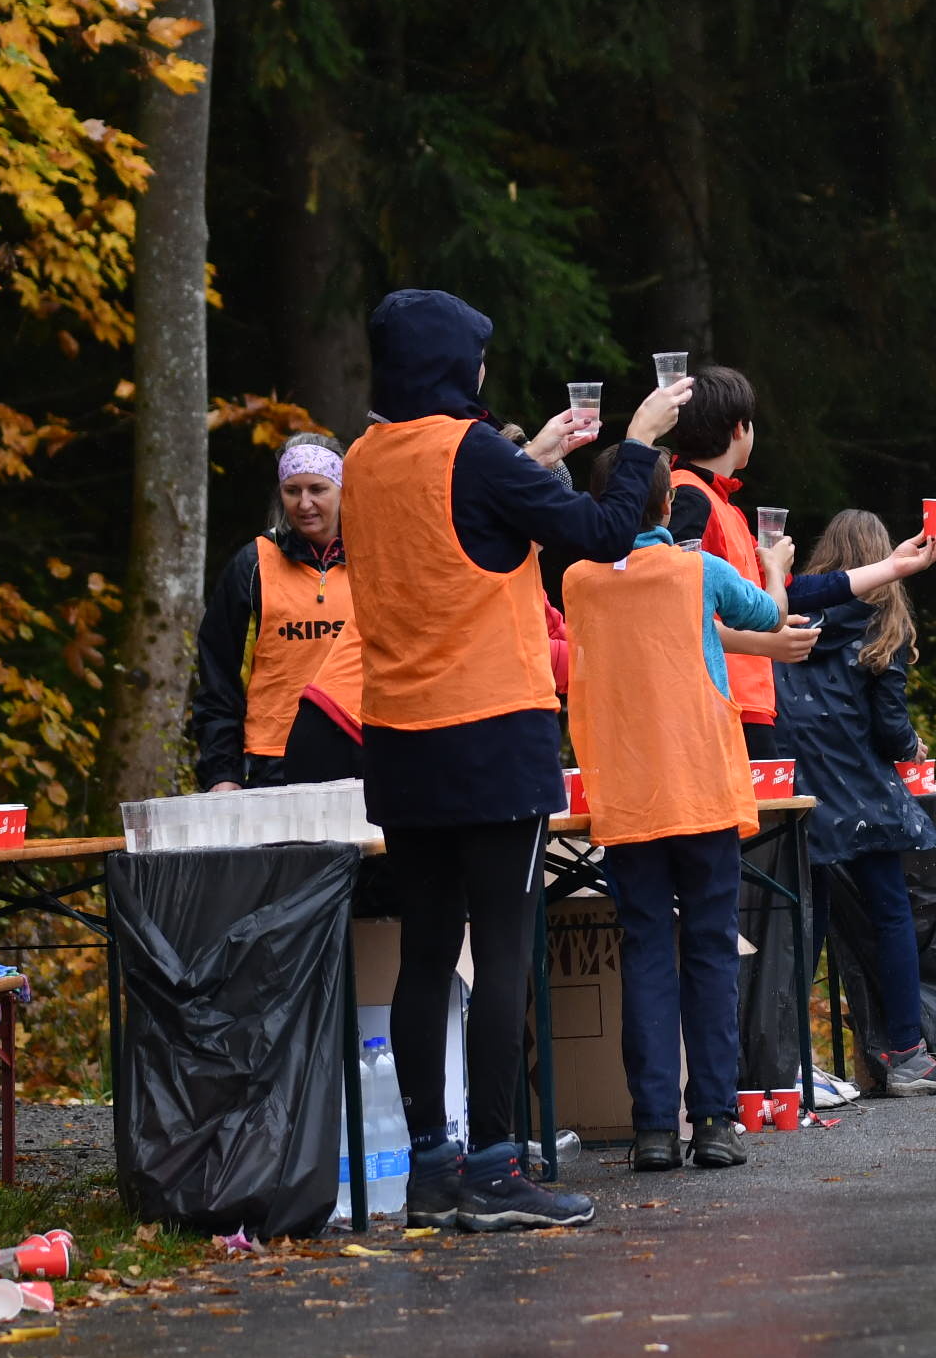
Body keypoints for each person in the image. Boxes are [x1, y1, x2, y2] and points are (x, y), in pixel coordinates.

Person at [342, 288, 685, 1231]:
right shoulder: (474, 453)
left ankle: (431, 1169)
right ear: (452, 363)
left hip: (401, 740)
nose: (485, 372)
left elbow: (454, 527)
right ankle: (495, 1169)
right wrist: (641, 441)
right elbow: (604, 534)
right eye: (478, 357)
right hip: (492, 732)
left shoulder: (363, 460)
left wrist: (532, 459)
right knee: (500, 952)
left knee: (424, 954)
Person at [561, 446, 793, 1172]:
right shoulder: (700, 572)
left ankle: (654, 1130)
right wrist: (775, 564)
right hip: (701, 785)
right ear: (667, 505)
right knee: (711, 949)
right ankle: (715, 1122)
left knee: (646, 954)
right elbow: (771, 617)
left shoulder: (577, 580)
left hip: (626, 792)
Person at [775, 510, 936, 1095]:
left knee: (806, 917)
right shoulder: (883, 628)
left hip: (792, 781)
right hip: (860, 789)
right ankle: (906, 1053)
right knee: (891, 911)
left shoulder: (789, 608)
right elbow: (891, 733)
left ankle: (786, 1060)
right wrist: (912, 745)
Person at [190, 434, 354, 792]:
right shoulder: (253, 565)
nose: (305, 503)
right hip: (271, 763)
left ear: (343, 489)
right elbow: (219, 679)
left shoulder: (374, 558)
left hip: (361, 756)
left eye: (317, 489)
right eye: (292, 491)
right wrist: (222, 773)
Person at [663, 365, 797, 756]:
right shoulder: (689, 497)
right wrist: (766, 641)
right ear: (740, 428)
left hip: (742, 700)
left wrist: (892, 566)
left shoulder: (723, 504)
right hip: (718, 698)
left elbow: (767, 599)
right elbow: (677, 611)